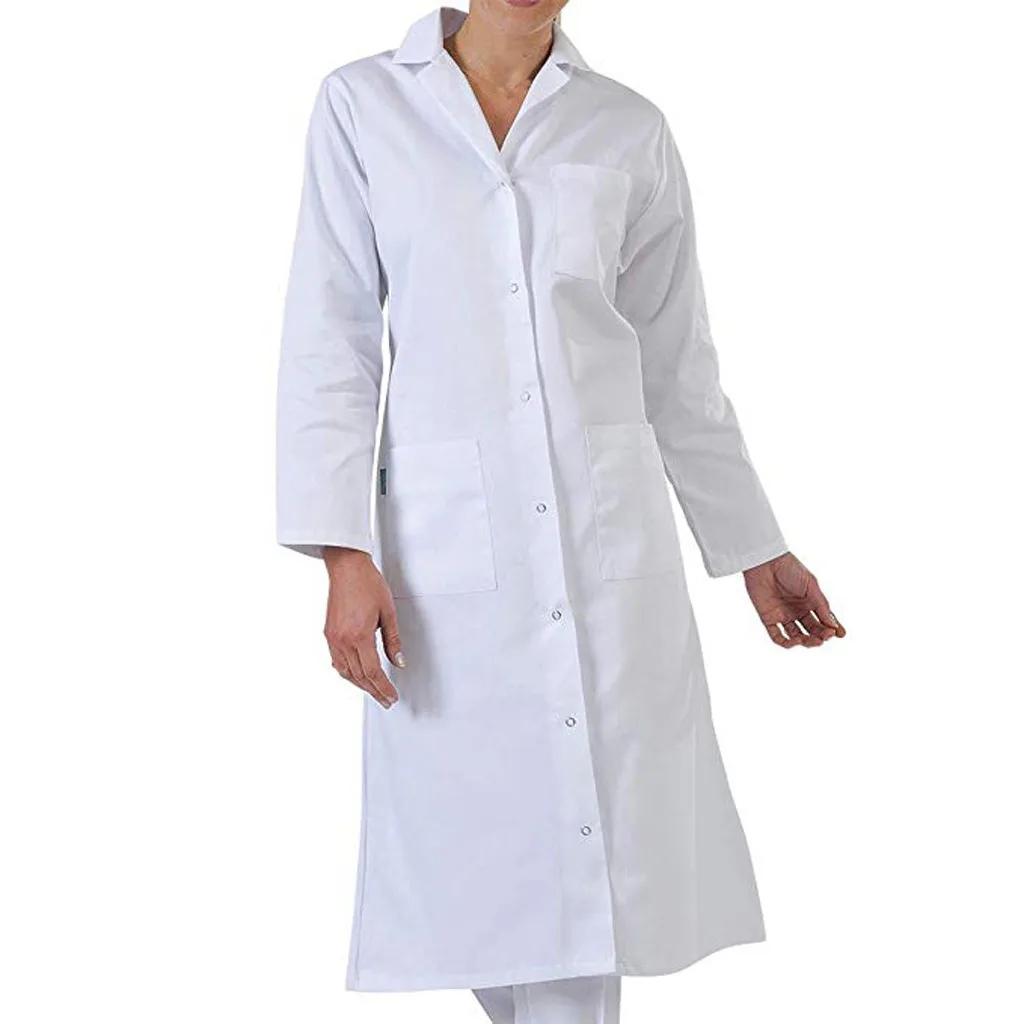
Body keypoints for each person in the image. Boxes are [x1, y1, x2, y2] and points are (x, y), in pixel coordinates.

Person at [275, 3, 846, 1021]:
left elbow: (676, 365)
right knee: (482, 886)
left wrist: (755, 545)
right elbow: (333, 339)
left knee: (585, 884)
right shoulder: (363, 107)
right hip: (447, 566)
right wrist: (341, 551)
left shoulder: (627, 127)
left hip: (605, 553)